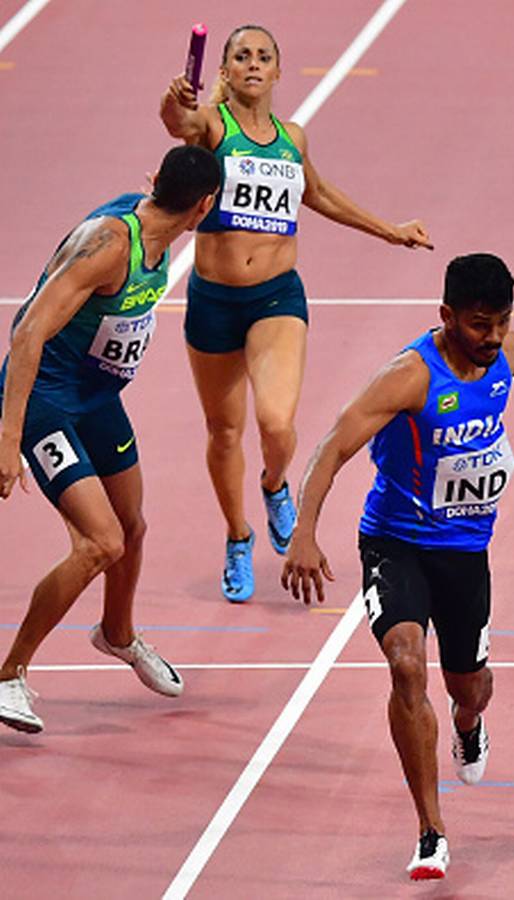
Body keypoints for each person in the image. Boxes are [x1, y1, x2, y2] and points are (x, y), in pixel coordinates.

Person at [281, 253, 514, 880]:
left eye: (501, 322)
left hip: (466, 554)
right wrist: (304, 532)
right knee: (405, 664)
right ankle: (430, 830)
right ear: (446, 316)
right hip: (396, 544)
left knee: (468, 688)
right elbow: (333, 446)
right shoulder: (409, 376)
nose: (492, 337)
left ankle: (468, 724)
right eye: (479, 325)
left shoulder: (501, 355)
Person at [159, 24, 434, 603]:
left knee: (277, 424)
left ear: (279, 72)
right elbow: (177, 123)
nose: (253, 64)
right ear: (226, 72)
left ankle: (275, 483)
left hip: (277, 297)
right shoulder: (213, 126)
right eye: (241, 57)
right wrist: (175, 97)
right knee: (224, 430)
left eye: (263, 56)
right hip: (213, 300)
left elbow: (320, 194)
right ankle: (238, 535)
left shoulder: (293, 137)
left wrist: (390, 232)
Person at [0, 145, 222, 734]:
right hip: (48, 400)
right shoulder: (110, 246)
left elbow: (204, 148)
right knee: (101, 544)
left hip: (97, 398)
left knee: (132, 527)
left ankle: (117, 633)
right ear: (203, 207)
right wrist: (8, 436)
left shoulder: (161, 227)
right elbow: (26, 334)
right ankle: (8, 674)